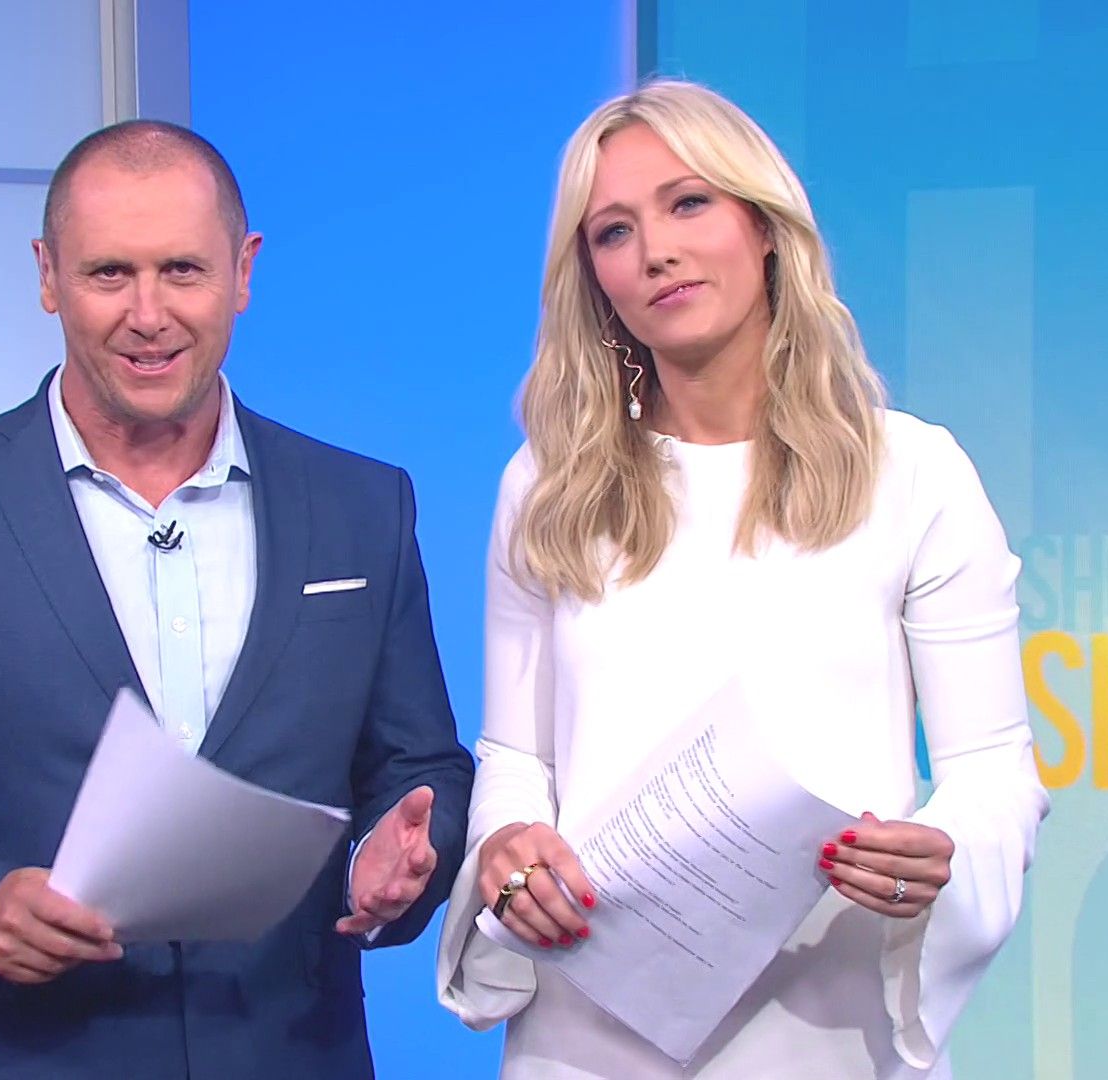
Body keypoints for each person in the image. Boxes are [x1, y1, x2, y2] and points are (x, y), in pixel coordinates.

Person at [0, 119, 473, 1080]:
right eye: (108, 274)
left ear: (243, 271)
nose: (148, 314)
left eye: (182, 271)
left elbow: (421, 766)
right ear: (48, 276)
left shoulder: (361, 505)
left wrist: (396, 857)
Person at [434, 80, 1050, 1078]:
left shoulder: (914, 474)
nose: (656, 252)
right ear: (594, 277)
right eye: (615, 232)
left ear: (763, 228)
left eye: (688, 204)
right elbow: (516, 754)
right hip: (592, 1033)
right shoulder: (549, 484)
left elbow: (993, 774)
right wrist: (508, 843)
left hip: (831, 1026)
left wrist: (940, 851)